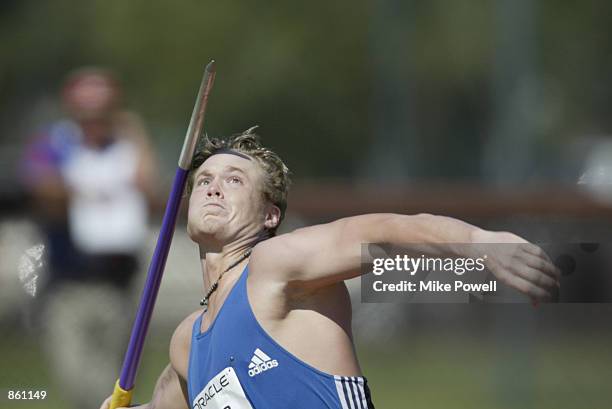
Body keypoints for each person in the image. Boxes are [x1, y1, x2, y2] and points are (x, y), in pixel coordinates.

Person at [101, 127, 559, 409]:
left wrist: (478, 242)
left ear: (270, 216)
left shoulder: (274, 268)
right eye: (203, 181)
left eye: (233, 180)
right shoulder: (187, 342)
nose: (213, 188)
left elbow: (383, 230)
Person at [22, 67, 156, 408]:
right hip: (68, 286)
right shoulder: (55, 145)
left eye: (103, 113)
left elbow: (150, 187)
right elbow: (37, 185)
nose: (95, 122)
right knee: (80, 383)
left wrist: (134, 132)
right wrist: (86, 187)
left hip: (118, 284)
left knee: (114, 384)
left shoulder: (126, 147)